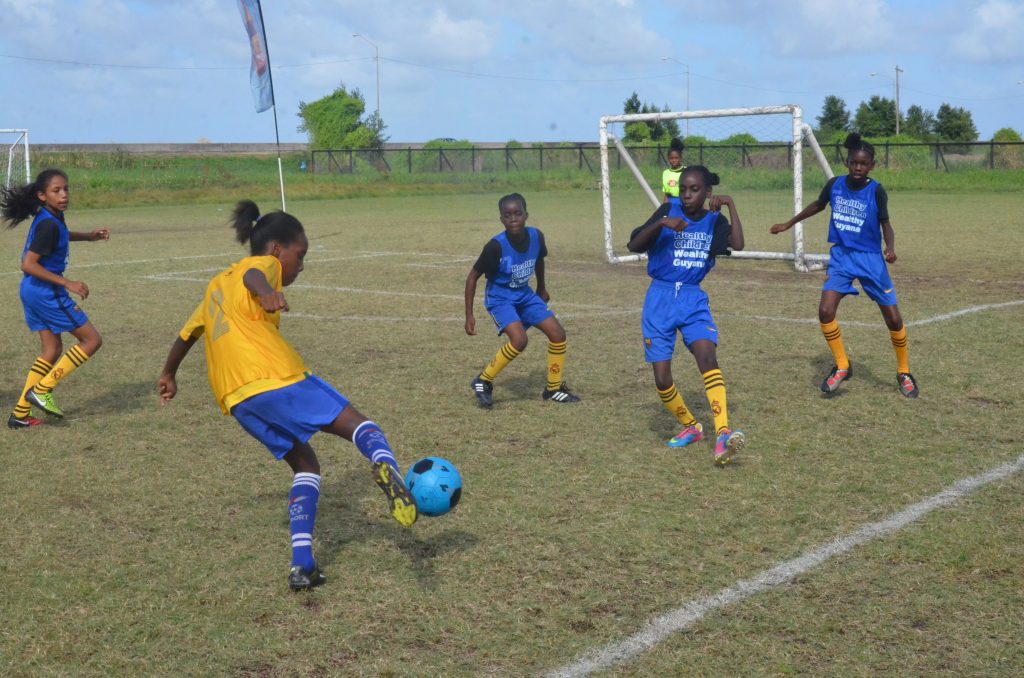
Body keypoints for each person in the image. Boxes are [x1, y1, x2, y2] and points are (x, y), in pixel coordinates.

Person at [157, 200, 418, 591]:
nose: (300, 265)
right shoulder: (262, 266)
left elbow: (187, 334)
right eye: (301, 255)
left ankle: (303, 564)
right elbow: (256, 276)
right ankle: (389, 469)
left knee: (306, 465)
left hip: (238, 398)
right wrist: (266, 293)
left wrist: (168, 373)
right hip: (273, 375)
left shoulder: (217, 284)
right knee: (363, 426)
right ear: (278, 249)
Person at [770, 132, 918, 398]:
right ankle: (841, 365)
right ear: (847, 162)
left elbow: (886, 224)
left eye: (864, 164)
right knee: (825, 311)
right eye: (854, 163)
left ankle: (904, 371)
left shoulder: (876, 190)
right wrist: (788, 224)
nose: (858, 168)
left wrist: (891, 248)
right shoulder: (835, 184)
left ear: (871, 165)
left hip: (871, 260)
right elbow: (818, 205)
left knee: (893, 318)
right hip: (842, 258)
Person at [627, 165, 745, 465]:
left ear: (707, 193)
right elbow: (634, 244)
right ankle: (692, 426)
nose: (688, 195)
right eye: (684, 189)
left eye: (694, 190)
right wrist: (663, 223)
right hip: (660, 298)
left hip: (693, 299)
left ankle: (723, 433)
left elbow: (738, 244)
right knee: (662, 378)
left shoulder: (714, 221)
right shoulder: (668, 210)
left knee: (707, 356)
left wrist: (730, 205)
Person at [1, 169, 108, 428]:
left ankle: (20, 414)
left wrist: (89, 236)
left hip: (31, 291)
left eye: (66, 189)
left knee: (51, 350)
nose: (63, 195)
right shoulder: (49, 222)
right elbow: (28, 264)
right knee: (91, 340)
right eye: (56, 191)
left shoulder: (51, 216)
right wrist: (66, 282)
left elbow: (62, 234)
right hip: (46, 291)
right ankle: (43, 389)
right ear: (42, 195)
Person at [465, 193, 580, 408]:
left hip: (525, 294)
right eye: (507, 215)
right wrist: (469, 315)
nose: (513, 219)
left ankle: (553, 389)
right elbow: (472, 277)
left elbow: (539, 260)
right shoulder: (495, 247)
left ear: (526, 215)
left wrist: (542, 287)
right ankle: (484, 379)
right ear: (501, 219)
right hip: (500, 298)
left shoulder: (537, 236)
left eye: (518, 213)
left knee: (558, 334)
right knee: (519, 340)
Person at [662, 137, 686, 208]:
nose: (674, 160)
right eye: (671, 158)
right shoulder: (666, 173)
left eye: (676, 158)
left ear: (680, 158)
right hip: (671, 202)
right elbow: (666, 195)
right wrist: (665, 209)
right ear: (668, 158)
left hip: (684, 202)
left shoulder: (687, 171)